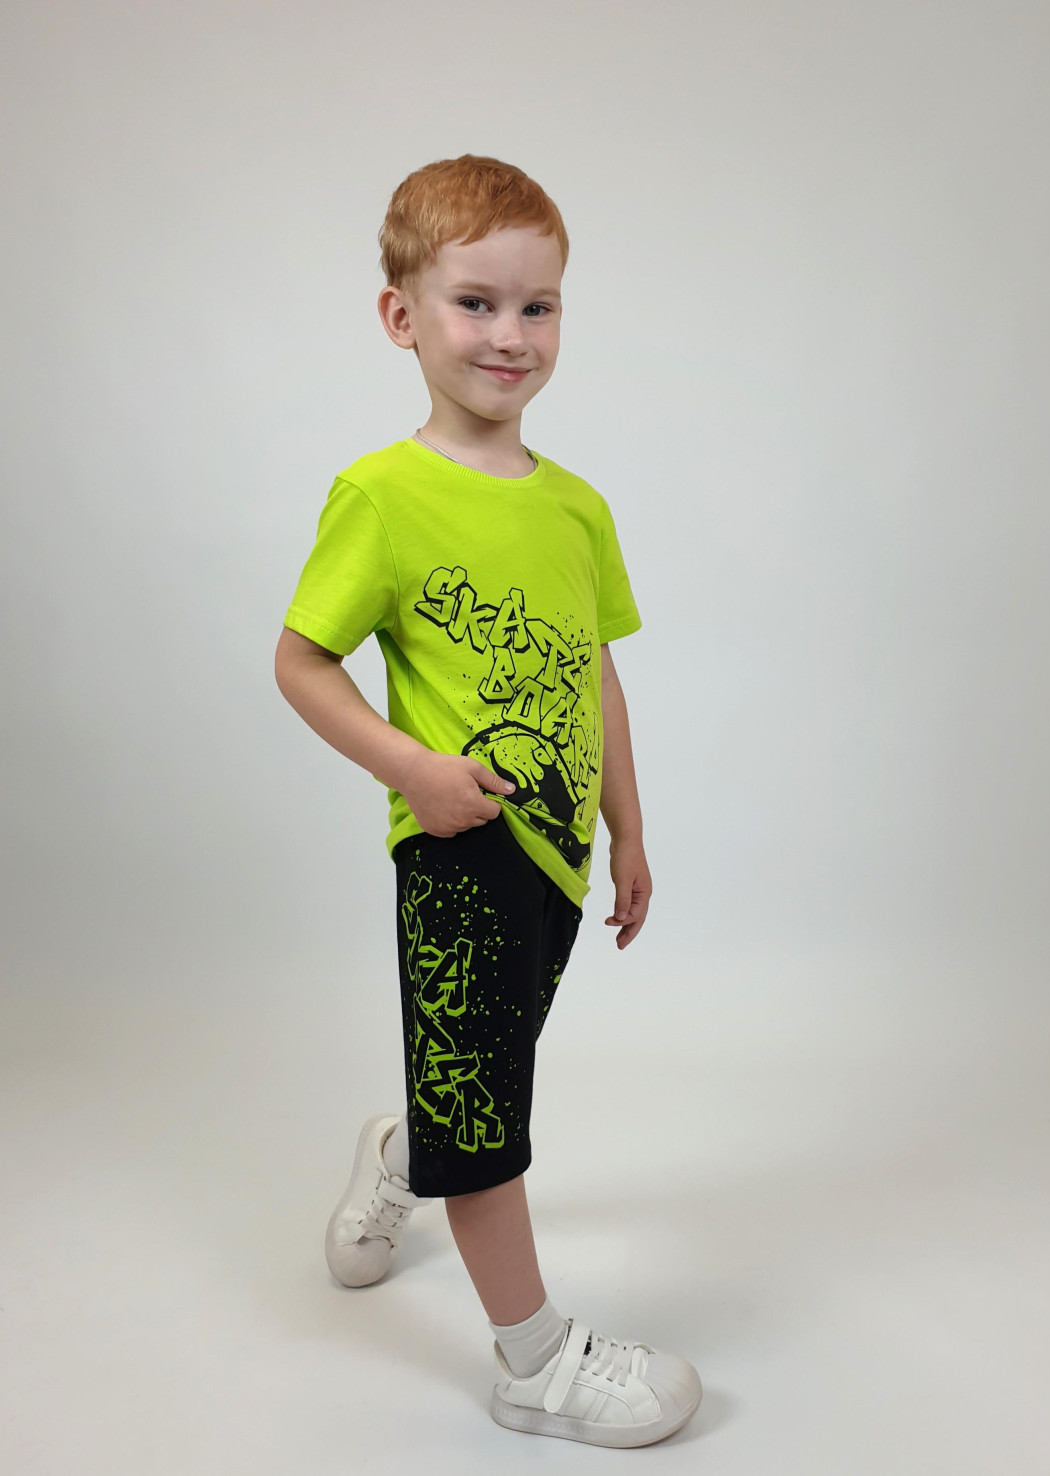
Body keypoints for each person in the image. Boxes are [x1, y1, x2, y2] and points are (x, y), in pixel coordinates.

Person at [274, 154, 701, 1448]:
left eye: (537, 306)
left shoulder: (576, 509)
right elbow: (301, 662)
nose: (509, 334)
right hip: (457, 847)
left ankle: (403, 1157)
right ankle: (536, 1362)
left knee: (481, 1080)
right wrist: (409, 769)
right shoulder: (383, 496)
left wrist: (628, 826)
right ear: (400, 316)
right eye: (475, 303)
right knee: (490, 1117)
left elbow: (595, 673)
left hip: (558, 857)